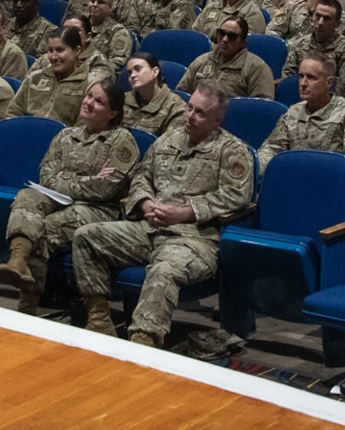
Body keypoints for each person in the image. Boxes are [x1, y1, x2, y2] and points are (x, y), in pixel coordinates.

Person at [72, 85, 256, 346]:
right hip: (150, 227)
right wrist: (145, 204)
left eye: (200, 113)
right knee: (86, 236)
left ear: (218, 120)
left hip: (195, 240)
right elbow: (141, 175)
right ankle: (99, 319)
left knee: (163, 269)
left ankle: (143, 341)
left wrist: (185, 212)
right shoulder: (169, 139)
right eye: (189, 107)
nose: (190, 116)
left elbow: (236, 196)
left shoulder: (232, 150)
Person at [0, 81, 141, 315]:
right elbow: (46, 176)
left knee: (44, 228)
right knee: (27, 196)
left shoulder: (121, 140)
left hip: (98, 210)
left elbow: (104, 190)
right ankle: (17, 260)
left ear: (112, 112)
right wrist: (87, 179)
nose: (89, 102)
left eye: (99, 101)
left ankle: (27, 305)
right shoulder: (65, 135)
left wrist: (66, 178)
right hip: (59, 200)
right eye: (89, 96)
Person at [259, 54, 345, 173]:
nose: (303, 83)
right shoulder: (292, 112)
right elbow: (272, 148)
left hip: (334, 180)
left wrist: (322, 171)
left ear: (329, 82)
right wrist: (258, 165)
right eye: (301, 76)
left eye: (311, 77)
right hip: (296, 177)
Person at [4, 28, 91, 126]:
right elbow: (13, 112)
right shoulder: (34, 78)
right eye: (50, 50)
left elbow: (82, 127)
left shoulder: (87, 84)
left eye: (60, 50)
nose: (54, 57)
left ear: (77, 50)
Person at [179, 16, 276, 99]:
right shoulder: (201, 61)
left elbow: (261, 107)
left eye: (232, 36)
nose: (225, 40)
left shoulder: (257, 67)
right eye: (221, 33)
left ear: (243, 42)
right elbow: (182, 95)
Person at [123, 53, 188, 136]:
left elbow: (170, 144)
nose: (132, 75)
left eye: (138, 69)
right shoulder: (121, 100)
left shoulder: (175, 107)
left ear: (155, 71)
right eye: (129, 72)